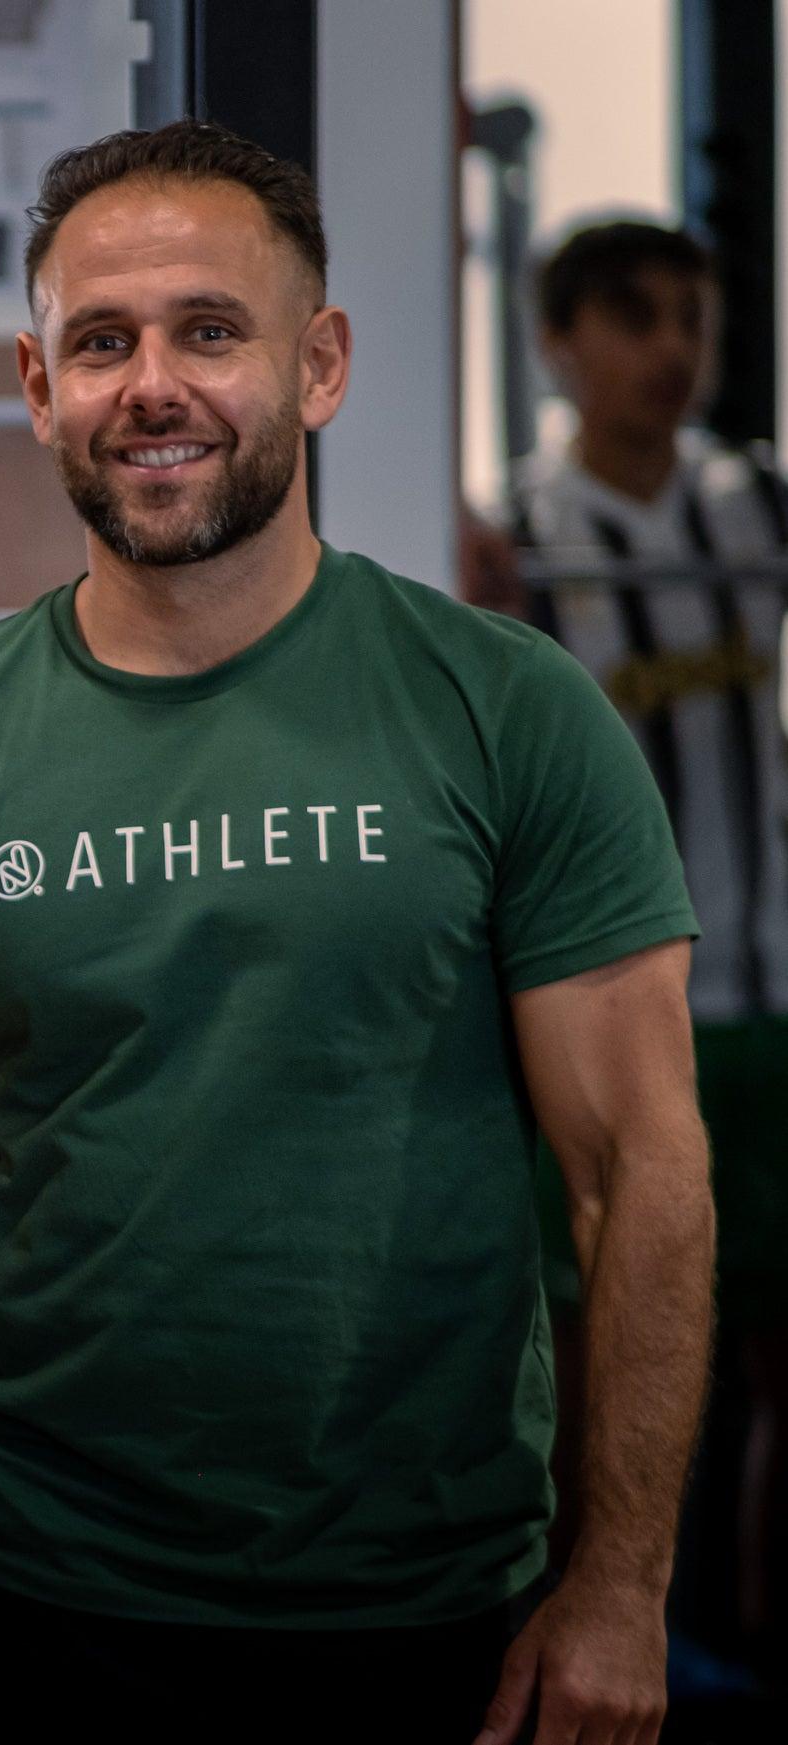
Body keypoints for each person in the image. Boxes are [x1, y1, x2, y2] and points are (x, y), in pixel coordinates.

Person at [0, 120, 714, 1745]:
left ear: (319, 363)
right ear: (34, 383)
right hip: (38, 1604)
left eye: (210, 331)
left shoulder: (509, 715)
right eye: (100, 341)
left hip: (439, 1620)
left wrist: (621, 1585)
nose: (153, 385)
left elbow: (635, 1170)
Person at [507, 217, 788, 1654]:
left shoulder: (758, 506)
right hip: (609, 1009)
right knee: (596, 1354)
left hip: (774, 997)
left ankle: (748, 1645)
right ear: (558, 342)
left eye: (691, 314)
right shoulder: (512, 536)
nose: (670, 348)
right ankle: (608, 1649)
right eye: (632, 316)